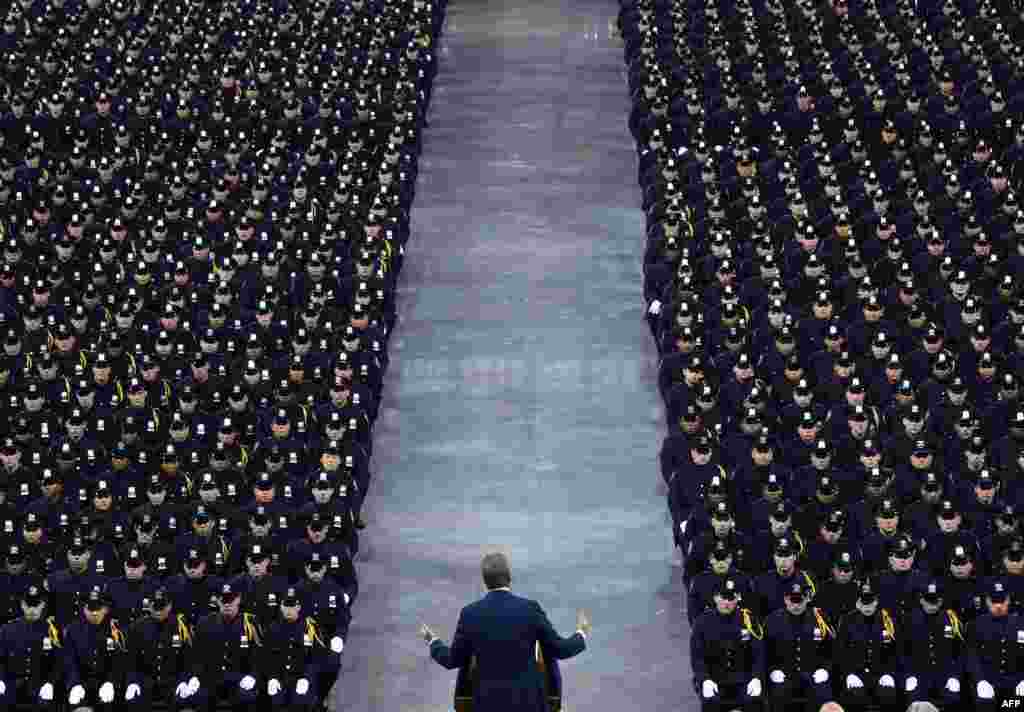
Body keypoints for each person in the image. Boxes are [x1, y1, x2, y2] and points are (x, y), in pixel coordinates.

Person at [419, 552, 590, 712]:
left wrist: (432, 641)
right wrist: (581, 632)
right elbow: (560, 649)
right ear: (509, 577)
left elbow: (452, 660)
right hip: (529, 705)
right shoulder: (530, 609)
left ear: (485, 582)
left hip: (487, 705)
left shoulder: (470, 614)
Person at [690, 577, 765, 712]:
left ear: (738, 598)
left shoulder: (749, 620)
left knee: (755, 701)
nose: (727, 602)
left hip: (743, 678)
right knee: (710, 702)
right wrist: (704, 679)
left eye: (731, 598)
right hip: (715, 677)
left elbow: (758, 653)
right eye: (723, 598)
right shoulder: (702, 622)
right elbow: (697, 657)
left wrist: (756, 677)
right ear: (715, 598)